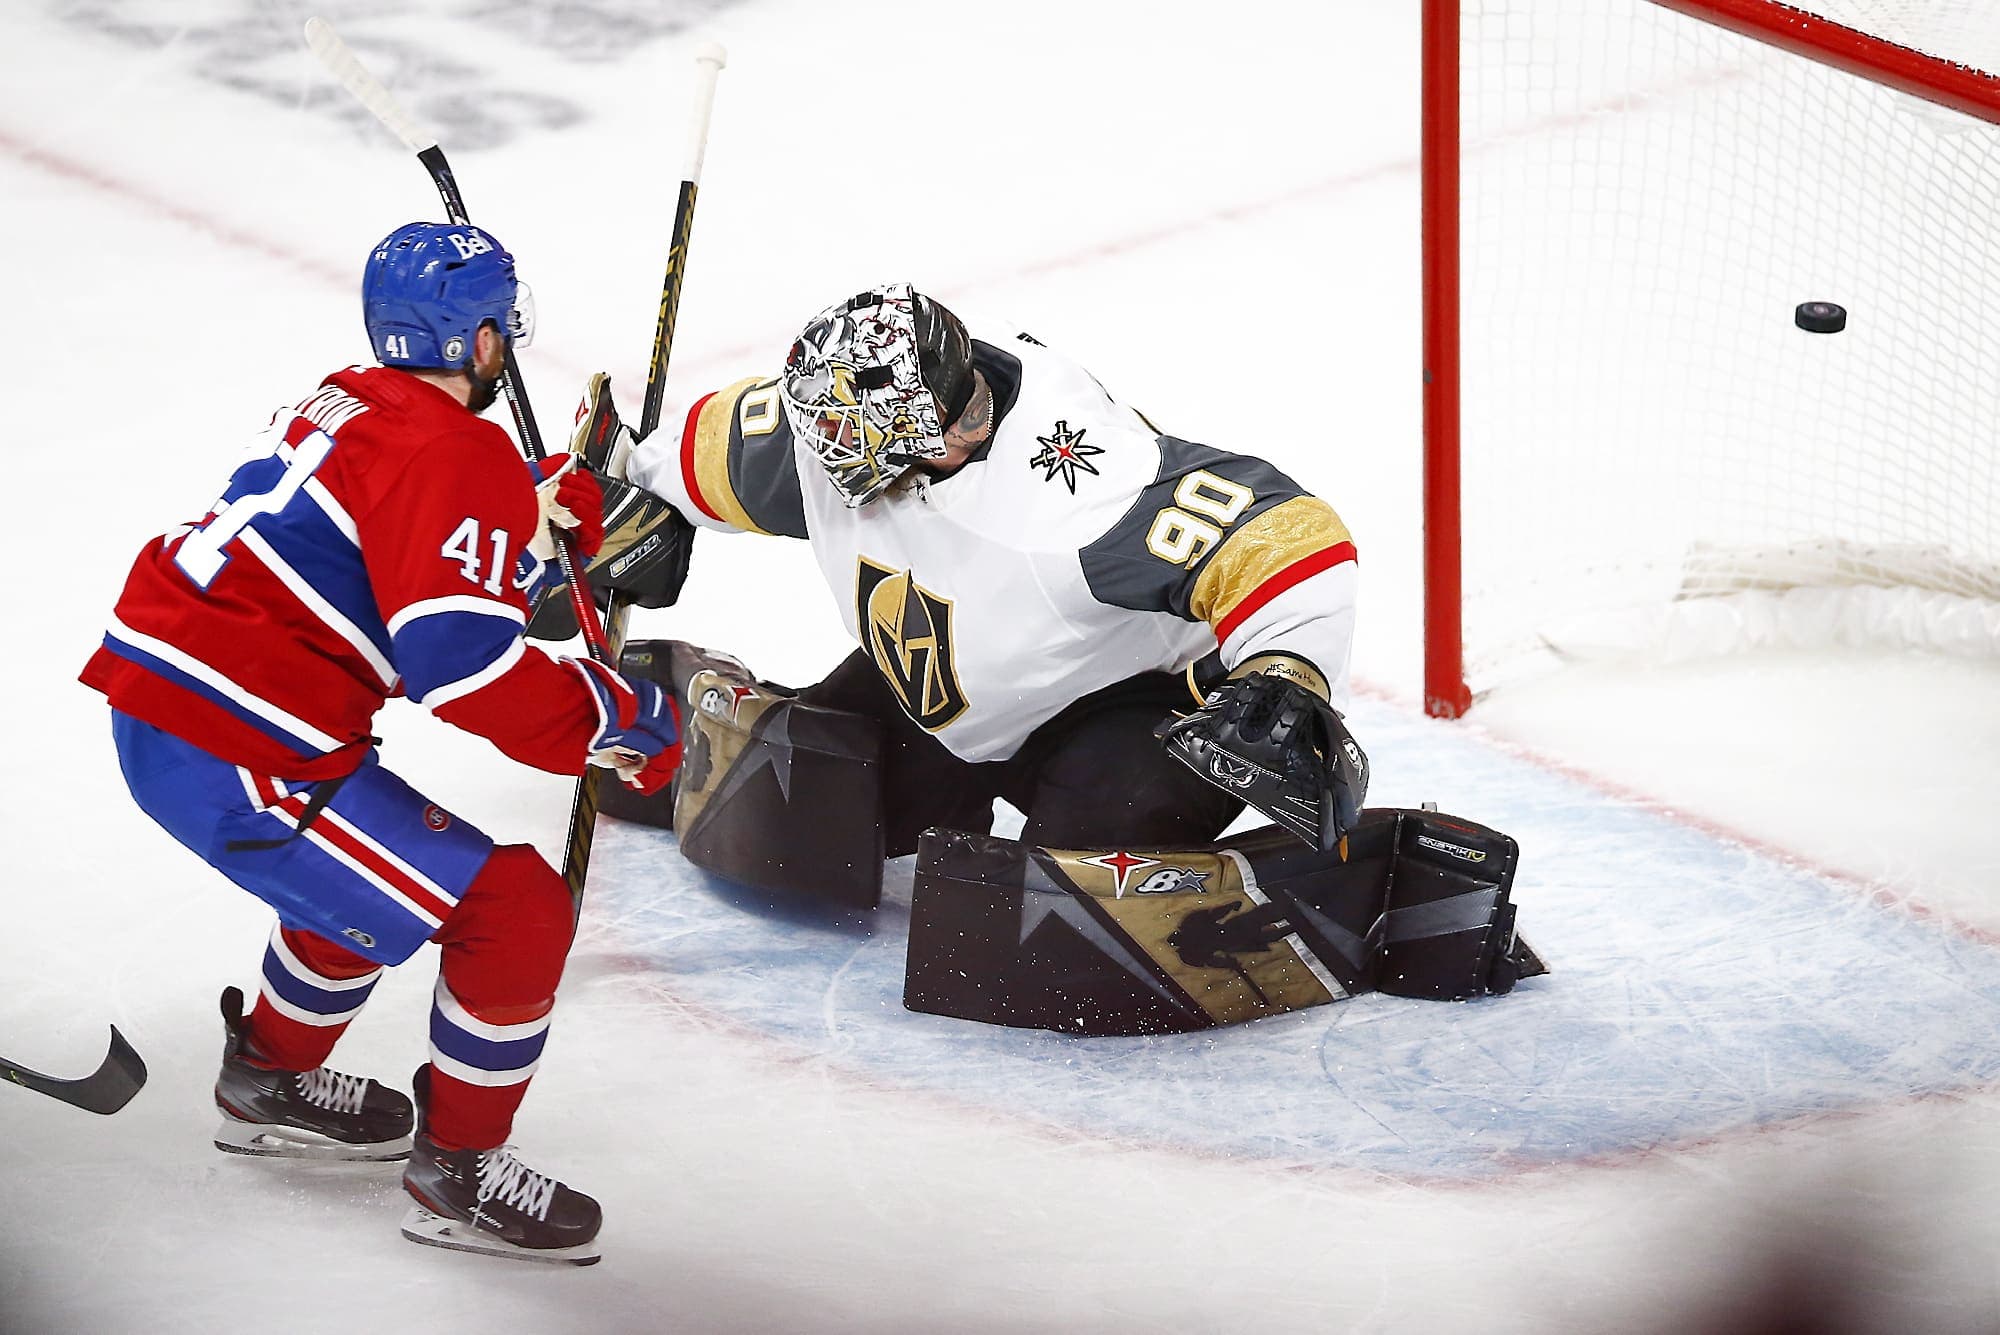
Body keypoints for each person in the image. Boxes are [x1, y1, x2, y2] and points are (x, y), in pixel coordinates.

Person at [78, 221, 681, 1266]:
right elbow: (462, 671)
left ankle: (268, 1079)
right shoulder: (458, 455)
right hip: (240, 746)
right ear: (482, 343)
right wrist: (611, 716)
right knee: (516, 909)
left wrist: (519, 532)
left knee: (380, 881)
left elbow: (385, 570)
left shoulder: (351, 396)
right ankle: (459, 1170)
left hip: (196, 707)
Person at [586, 283, 1367, 860]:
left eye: (846, 440)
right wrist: (620, 502)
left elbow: (1287, 532)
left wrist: (1286, 669)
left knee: (1062, 907)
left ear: (935, 433)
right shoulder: (843, 421)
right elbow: (711, 447)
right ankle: (700, 695)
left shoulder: (1081, 493)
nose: (821, 451)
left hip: (1130, 705)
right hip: (953, 688)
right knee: (795, 815)